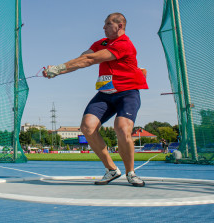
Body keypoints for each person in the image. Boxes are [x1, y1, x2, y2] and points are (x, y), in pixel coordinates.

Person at [43, 13, 148, 186]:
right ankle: (112, 169)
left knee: (121, 128)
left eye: (107, 24)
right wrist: (57, 71)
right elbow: (82, 59)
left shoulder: (124, 45)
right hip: (105, 94)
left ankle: (131, 173)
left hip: (127, 93)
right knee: (87, 127)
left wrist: (59, 68)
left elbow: (90, 60)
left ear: (120, 26)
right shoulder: (101, 43)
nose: (103, 27)